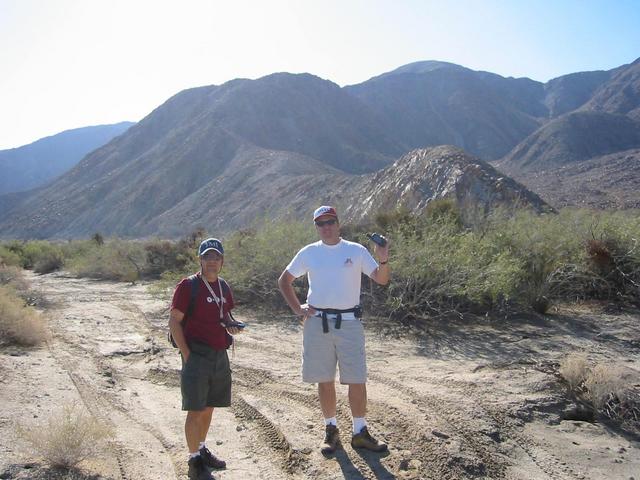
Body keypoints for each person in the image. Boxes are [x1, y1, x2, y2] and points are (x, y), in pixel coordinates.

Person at [277, 206, 391, 455]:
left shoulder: (355, 250)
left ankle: (360, 431)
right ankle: (331, 430)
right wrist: (298, 310)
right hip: (318, 323)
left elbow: (381, 279)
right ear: (316, 227)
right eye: (321, 223)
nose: (326, 227)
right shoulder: (309, 252)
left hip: (350, 322)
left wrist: (383, 258)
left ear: (339, 224)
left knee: (357, 378)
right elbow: (284, 280)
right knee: (324, 378)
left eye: (330, 222)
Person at [169, 238, 244, 480]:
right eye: (207, 257)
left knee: (210, 405)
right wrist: (187, 354)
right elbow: (174, 321)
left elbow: (225, 314)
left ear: (222, 261)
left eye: (216, 257)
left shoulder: (223, 286)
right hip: (197, 353)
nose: (212, 261)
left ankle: (201, 449)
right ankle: (193, 461)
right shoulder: (188, 286)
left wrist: (231, 326)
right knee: (195, 408)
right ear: (200, 259)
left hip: (219, 353)